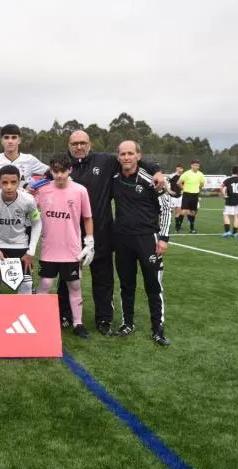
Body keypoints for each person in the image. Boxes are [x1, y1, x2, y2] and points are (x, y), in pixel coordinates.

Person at [55, 129, 164, 336]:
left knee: (103, 278)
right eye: (74, 143)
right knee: (67, 277)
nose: (79, 147)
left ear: (90, 144)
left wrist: (156, 169)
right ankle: (65, 314)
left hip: (102, 232)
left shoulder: (105, 161)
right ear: (68, 146)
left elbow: (132, 160)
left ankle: (104, 319)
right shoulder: (63, 165)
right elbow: (45, 180)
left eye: (83, 143)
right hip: (69, 234)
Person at [111, 141, 171, 346]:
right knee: (126, 285)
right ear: (118, 156)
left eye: (130, 153)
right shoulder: (115, 178)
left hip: (148, 239)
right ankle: (127, 323)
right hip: (122, 240)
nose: (126, 157)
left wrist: (163, 238)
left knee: (153, 286)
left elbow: (166, 208)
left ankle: (158, 329)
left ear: (138, 156)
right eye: (122, 154)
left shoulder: (151, 180)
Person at [34, 154, 94, 339]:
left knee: (74, 285)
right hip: (49, 249)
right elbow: (30, 211)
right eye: (55, 171)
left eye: (63, 171)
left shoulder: (80, 190)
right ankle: (37, 320)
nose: (59, 175)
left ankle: (78, 323)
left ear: (70, 170)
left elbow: (87, 218)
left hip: (71, 250)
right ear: (51, 171)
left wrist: (89, 240)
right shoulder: (42, 190)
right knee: (45, 284)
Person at [0, 165, 42, 295]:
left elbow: (37, 224)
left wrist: (31, 252)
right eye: (4, 182)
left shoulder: (28, 200)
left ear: (19, 182)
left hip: (20, 246)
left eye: (13, 182)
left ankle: (24, 315)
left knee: (26, 285)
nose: (9, 186)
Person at [0, 124, 48, 191]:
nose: (10, 141)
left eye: (14, 137)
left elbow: (52, 172)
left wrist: (36, 186)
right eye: (6, 137)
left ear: (19, 140)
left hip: (23, 206)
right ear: (1, 141)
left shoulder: (30, 160)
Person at [177, 160, 206, 233]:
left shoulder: (201, 174)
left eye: (198, 165)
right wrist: (184, 188)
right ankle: (178, 226)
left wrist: (197, 188)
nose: (196, 166)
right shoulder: (186, 173)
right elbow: (179, 183)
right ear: (191, 165)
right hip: (187, 194)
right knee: (184, 211)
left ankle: (191, 228)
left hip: (195, 195)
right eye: (195, 165)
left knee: (193, 212)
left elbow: (202, 184)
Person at [168, 164, 185, 232]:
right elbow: (165, 182)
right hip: (172, 196)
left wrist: (183, 191)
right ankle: (166, 224)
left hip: (179, 196)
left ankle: (177, 227)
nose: (180, 169)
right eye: (179, 168)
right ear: (176, 168)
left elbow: (184, 185)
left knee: (178, 211)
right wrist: (169, 190)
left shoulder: (183, 176)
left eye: (182, 168)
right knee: (169, 211)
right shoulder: (172, 175)